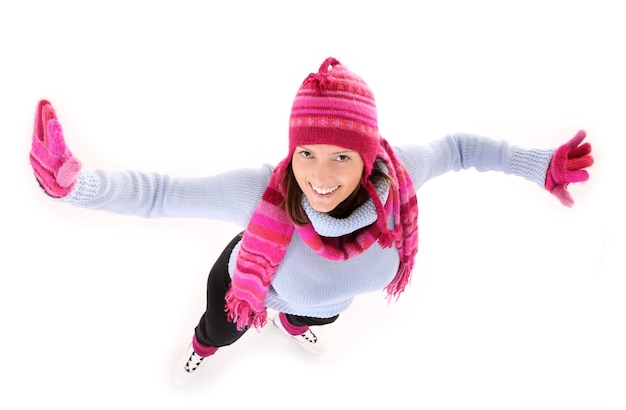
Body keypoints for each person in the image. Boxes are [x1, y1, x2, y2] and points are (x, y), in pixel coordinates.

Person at [29, 57, 593, 387]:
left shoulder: (400, 179)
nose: (319, 177)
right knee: (222, 327)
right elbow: (162, 194)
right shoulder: (259, 194)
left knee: (316, 309)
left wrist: (536, 164)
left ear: (368, 156)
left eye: (341, 156)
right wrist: (74, 185)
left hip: (316, 296)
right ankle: (204, 346)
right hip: (247, 283)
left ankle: (297, 326)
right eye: (306, 154)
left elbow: (460, 147)